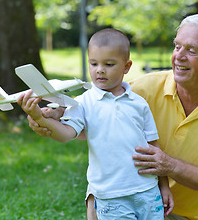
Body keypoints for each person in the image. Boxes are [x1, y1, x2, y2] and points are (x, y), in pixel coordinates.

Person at [26, 14, 198, 220]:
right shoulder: (143, 89)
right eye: (177, 46)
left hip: (185, 215)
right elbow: (93, 120)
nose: (179, 57)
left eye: (192, 50)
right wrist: (54, 116)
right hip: (126, 202)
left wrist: (169, 166)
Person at [18, 28, 174, 219]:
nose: (99, 69)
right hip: (111, 196)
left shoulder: (139, 103)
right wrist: (40, 118)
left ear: (126, 67)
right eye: (93, 63)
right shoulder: (84, 102)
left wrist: (163, 186)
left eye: (109, 64)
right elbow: (66, 134)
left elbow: (154, 147)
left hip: (147, 191)